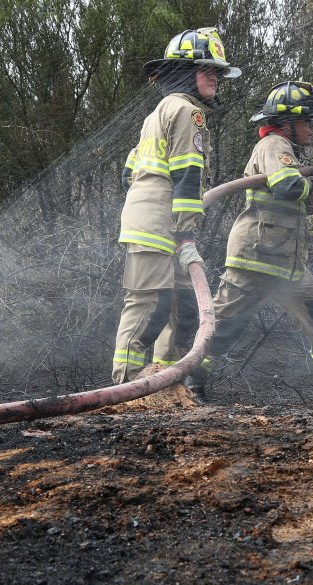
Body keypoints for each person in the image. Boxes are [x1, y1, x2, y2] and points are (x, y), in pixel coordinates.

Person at [183, 81, 313, 405]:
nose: (312, 128)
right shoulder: (274, 146)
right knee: (227, 323)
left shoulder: (289, 154)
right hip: (257, 257)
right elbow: (289, 189)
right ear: (288, 123)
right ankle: (192, 384)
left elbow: (305, 203)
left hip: (286, 263)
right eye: (307, 121)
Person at [111, 28, 240, 384]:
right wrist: (185, 234)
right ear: (185, 72)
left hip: (159, 221)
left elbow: (127, 174)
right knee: (149, 306)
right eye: (207, 69)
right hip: (160, 226)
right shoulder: (185, 111)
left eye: (216, 71)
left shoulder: (158, 113)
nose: (215, 77)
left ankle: (165, 383)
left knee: (182, 308)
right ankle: (126, 388)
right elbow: (187, 175)